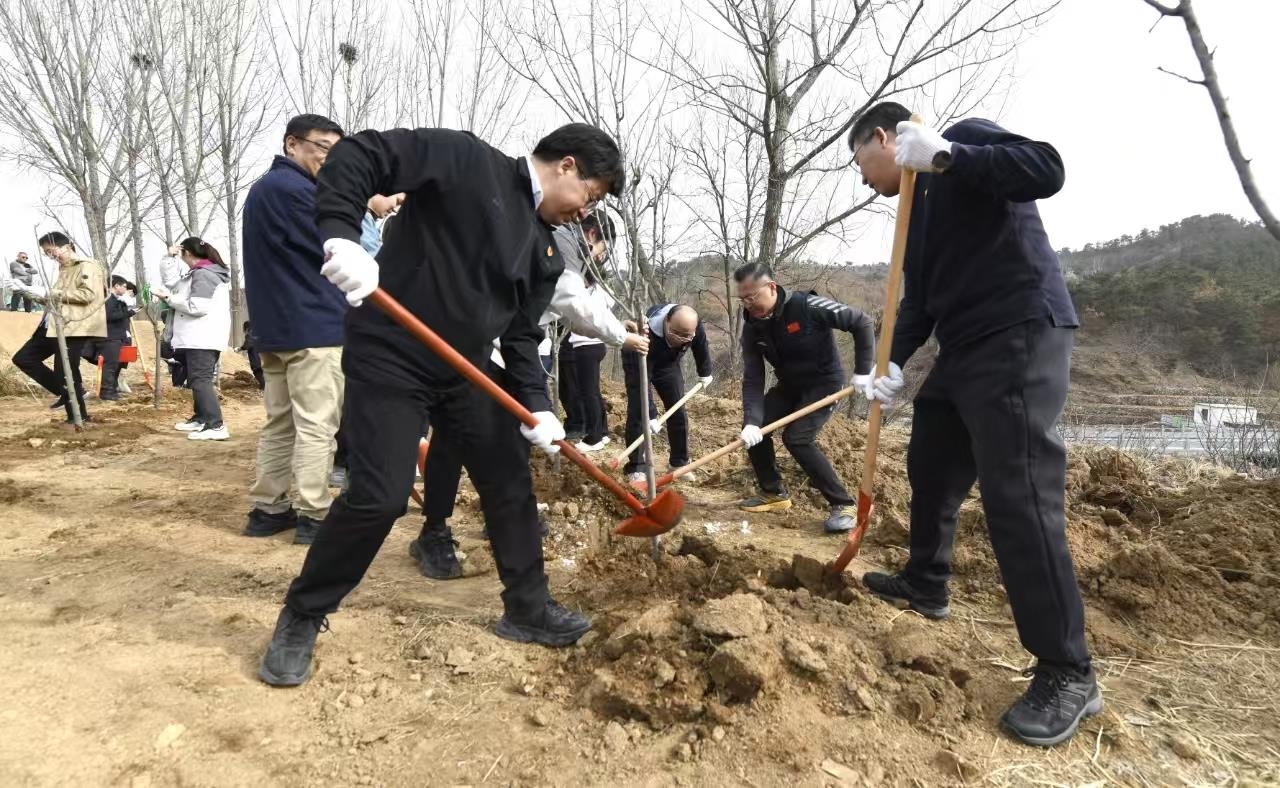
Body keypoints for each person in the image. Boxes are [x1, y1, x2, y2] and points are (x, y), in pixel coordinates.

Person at [257, 122, 624, 688]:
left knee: (509, 479)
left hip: (466, 367)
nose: (584, 211)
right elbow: (360, 155)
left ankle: (527, 608)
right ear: (567, 165)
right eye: (590, 195)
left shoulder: (546, 250)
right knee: (380, 497)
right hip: (392, 353)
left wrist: (537, 406)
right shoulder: (468, 161)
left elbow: (521, 337)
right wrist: (342, 236)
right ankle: (302, 614)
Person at [848, 101, 1096, 747]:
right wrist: (890, 361)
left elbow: (1046, 169)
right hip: (964, 346)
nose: (863, 180)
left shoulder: (961, 142)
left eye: (860, 162)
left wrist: (949, 156)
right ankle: (926, 581)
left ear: (884, 137)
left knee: (1018, 493)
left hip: (1018, 328)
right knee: (930, 457)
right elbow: (920, 302)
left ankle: (1069, 670)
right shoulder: (913, 212)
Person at [409, 213, 650, 580]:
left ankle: (502, 516)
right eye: (605, 247)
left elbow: (574, 305)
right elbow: (574, 305)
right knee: (454, 437)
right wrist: (622, 337)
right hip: (476, 344)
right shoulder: (561, 240)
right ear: (593, 234)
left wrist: (619, 325)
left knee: (514, 439)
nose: (603, 257)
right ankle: (433, 533)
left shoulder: (565, 246)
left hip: (515, 350)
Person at [241, 114, 348, 545]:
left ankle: (268, 509)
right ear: (292, 143)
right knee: (316, 425)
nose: (328, 158)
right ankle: (314, 514)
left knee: (280, 424)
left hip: (275, 329)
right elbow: (337, 249)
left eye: (336, 152)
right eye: (322, 147)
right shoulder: (299, 191)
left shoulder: (264, 190)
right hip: (314, 329)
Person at [733, 263, 875, 533]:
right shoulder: (752, 327)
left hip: (824, 383)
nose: (748, 305)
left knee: (797, 438)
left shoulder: (807, 306)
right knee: (755, 428)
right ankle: (773, 493)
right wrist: (752, 420)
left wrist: (863, 371)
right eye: (743, 299)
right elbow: (753, 378)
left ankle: (844, 504)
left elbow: (861, 321)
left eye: (751, 297)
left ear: (771, 287)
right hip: (790, 385)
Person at [621, 304, 712, 489]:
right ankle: (636, 467)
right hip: (641, 358)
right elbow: (638, 384)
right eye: (677, 333)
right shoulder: (643, 333)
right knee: (639, 413)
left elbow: (701, 345)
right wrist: (650, 414)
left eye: (687, 336)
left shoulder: (693, 327)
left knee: (677, 409)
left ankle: (679, 462)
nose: (682, 339)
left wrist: (705, 372)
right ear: (667, 321)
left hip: (668, 365)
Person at [22, 232, 107, 424]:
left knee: (65, 370)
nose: (50, 256)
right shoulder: (63, 268)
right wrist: (29, 292)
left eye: (51, 251)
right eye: (46, 253)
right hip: (52, 325)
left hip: (74, 326)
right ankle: (70, 394)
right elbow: (55, 298)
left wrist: (53, 292)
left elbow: (88, 295)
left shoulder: (87, 265)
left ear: (67, 247)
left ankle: (78, 417)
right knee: (24, 358)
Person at [154, 238, 232, 440]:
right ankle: (201, 418)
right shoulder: (197, 273)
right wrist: (169, 258)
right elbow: (173, 283)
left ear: (187, 253)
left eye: (181, 254)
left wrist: (168, 299)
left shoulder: (205, 275)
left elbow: (198, 307)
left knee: (201, 380)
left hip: (203, 337)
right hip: (196, 336)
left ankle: (215, 425)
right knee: (196, 379)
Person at [568, 269, 613, 452]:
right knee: (593, 391)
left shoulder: (584, 294)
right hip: (597, 345)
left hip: (586, 346)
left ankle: (594, 438)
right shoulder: (600, 291)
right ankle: (602, 432)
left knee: (588, 393)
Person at [96, 276, 138, 401]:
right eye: (124, 286)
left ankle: (111, 390)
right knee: (109, 366)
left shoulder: (116, 299)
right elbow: (109, 316)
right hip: (111, 337)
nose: (126, 289)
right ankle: (106, 392)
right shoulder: (109, 299)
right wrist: (129, 313)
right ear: (116, 286)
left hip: (116, 336)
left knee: (114, 365)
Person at [237, 320, 265, 389]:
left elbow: (248, 345)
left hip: (256, 359)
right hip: (262, 357)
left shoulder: (250, 334)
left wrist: (240, 348)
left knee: (258, 373)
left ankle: (264, 387)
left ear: (246, 328)